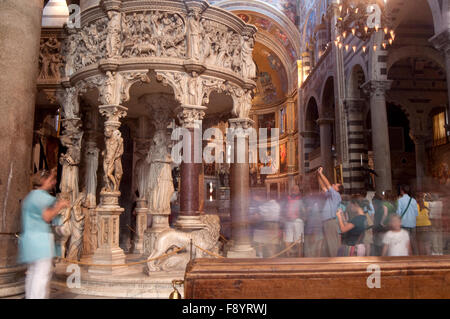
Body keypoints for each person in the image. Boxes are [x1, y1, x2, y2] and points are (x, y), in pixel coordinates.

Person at [18, 168, 69, 299]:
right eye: (51, 180)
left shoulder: (30, 197)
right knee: (41, 276)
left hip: (29, 241)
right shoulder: (42, 197)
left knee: (32, 275)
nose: (54, 182)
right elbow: (47, 216)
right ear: (43, 181)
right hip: (40, 243)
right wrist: (60, 205)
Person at [317, 167, 343, 257]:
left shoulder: (336, 195)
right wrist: (318, 176)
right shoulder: (330, 195)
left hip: (330, 221)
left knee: (332, 245)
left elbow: (327, 184)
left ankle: (336, 264)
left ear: (338, 189)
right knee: (326, 245)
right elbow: (323, 187)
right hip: (326, 222)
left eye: (335, 185)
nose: (333, 185)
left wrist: (321, 173)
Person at [396, 185, 419, 255]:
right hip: (413, 224)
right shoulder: (414, 200)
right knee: (413, 241)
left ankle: (406, 256)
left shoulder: (400, 200)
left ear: (402, 191)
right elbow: (416, 213)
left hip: (404, 223)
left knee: (405, 241)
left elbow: (398, 213)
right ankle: (416, 256)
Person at [282, 185, 305, 257]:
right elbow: (283, 209)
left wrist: (303, 217)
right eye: (293, 189)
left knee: (298, 239)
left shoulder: (302, 199)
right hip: (289, 221)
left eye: (296, 189)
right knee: (288, 239)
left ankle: (299, 255)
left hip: (298, 220)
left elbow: (304, 210)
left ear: (298, 191)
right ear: (291, 190)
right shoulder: (286, 199)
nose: (295, 190)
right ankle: (288, 255)